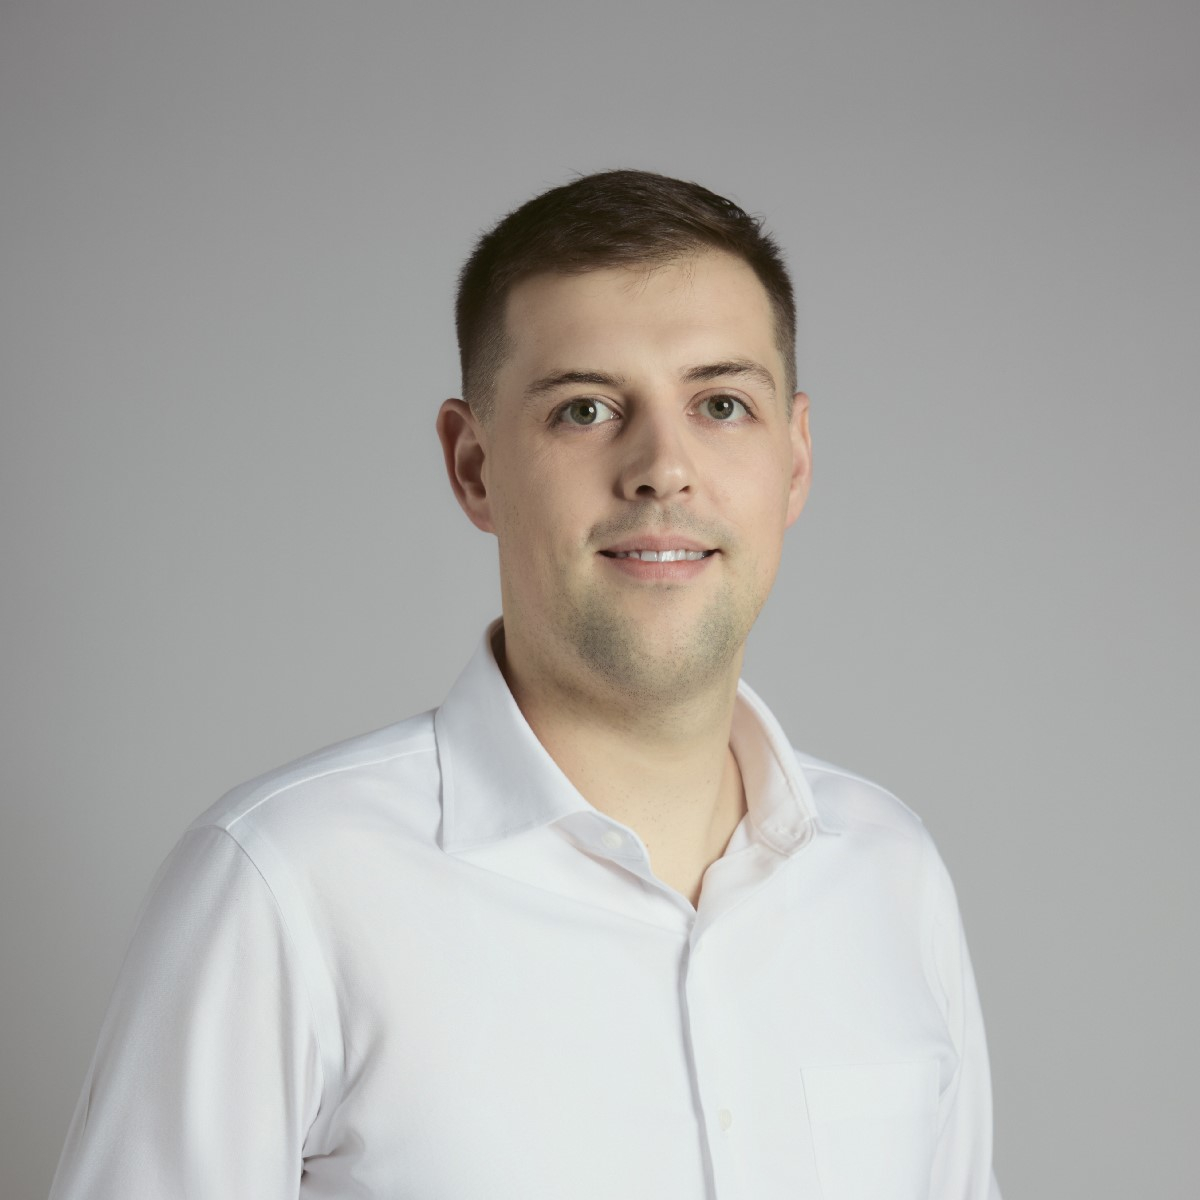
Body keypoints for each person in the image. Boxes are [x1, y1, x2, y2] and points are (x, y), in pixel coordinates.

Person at [49, 169, 1002, 1199]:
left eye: (722, 404)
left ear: (796, 458)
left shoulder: (890, 874)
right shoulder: (288, 888)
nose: (662, 468)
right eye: (586, 409)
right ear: (474, 467)